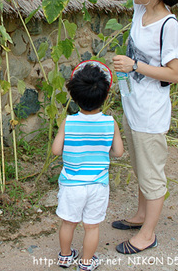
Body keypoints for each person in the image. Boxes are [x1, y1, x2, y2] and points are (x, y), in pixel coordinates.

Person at [91, 0, 178, 255]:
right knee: (141, 166)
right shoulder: (141, 7)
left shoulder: (168, 25)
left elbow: (175, 73)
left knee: (152, 174)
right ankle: (141, 215)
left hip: (150, 111)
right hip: (135, 105)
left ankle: (147, 234)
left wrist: (135, 66)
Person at [52, 60, 124, 270]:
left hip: (72, 184)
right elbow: (118, 152)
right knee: (92, 227)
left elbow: (56, 150)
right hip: (97, 184)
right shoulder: (111, 123)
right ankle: (86, 262)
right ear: (105, 95)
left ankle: (65, 257)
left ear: (74, 97)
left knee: (68, 223)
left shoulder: (69, 122)